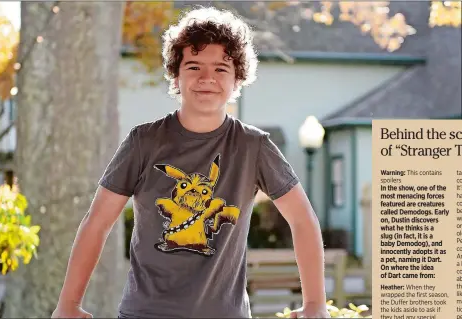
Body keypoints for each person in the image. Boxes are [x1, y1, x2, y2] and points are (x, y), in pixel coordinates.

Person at [52, 6, 330, 319]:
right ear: (176, 73)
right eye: (194, 67)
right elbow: (97, 222)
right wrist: (68, 305)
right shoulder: (144, 142)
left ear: (237, 77)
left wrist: (316, 305)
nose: (207, 78)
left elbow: (303, 220)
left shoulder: (254, 147)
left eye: (221, 69)